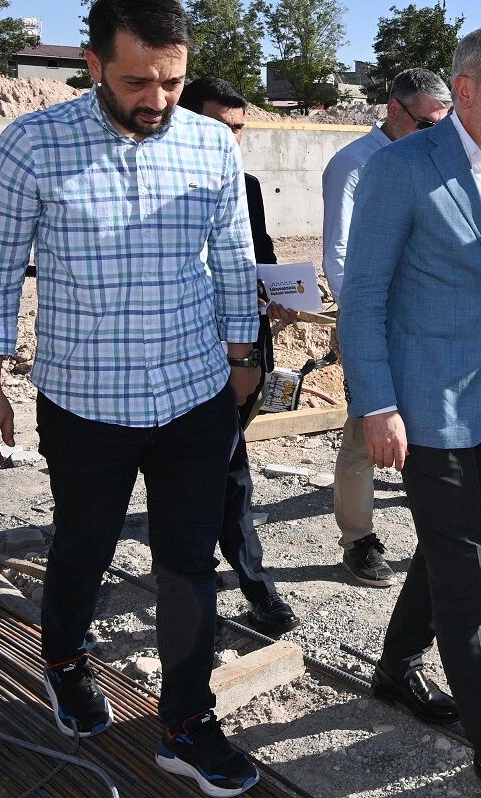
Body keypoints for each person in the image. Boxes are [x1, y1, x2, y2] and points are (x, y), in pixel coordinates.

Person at [0, 0, 261, 797]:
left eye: (172, 80)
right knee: (84, 544)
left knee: (188, 562)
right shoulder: (33, 144)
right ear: (94, 65)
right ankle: (65, 659)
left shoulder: (211, 144)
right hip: (85, 401)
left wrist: (243, 355)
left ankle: (186, 722)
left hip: (193, 393)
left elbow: (234, 255)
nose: (157, 99)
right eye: (137, 81)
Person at [339, 24, 481, 798]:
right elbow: (362, 297)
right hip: (424, 404)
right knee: (464, 572)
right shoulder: (401, 168)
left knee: (444, 546)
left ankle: (397, 666)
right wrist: (378, 404)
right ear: (465, 87)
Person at [177, 76, 299, 636]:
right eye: (219, 127)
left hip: (240, 355)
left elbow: (261, 260)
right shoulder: (158, 184)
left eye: (239, 129)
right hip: (177, 356)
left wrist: (279, 296)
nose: (231, 140)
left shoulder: (245, 186)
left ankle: (254, 588)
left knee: (230, 473)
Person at [322, 68, 452, 586]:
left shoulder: (434, 157)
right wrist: (359, 322)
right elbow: (338, 253)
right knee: (364, 432)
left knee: (434, 425)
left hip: (425, 320)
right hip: (374, 321)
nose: (438, 134)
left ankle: (449, 527)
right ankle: (358, 539)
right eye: (427, 123)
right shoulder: (354, 164)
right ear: (394, 110)